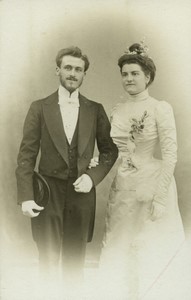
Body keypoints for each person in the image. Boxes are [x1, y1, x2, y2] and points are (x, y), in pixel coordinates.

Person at [15, 46, 118, 291]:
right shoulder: (39, 107)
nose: (73, 73)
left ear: (84, 75)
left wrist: (92, 178)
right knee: (48, 261)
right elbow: (26, 156)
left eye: (78, 69)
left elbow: (109, 150)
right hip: (47, 194)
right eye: (68, 68)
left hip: (81, 196)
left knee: (75, 262)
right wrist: (26, 197)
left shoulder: (95, 109)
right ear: (58, 70)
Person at [89, 42, 185, 299]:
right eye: (125, 74)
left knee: (148, 248)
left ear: (148, 77)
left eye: (135, 74)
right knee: (119, 246)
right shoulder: (117, 109)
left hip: (152, 186)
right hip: (123, 186)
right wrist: (96, 159)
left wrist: (161, 195)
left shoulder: (159, 108)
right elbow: (116, 149)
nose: (129, 78)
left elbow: (171, 153)